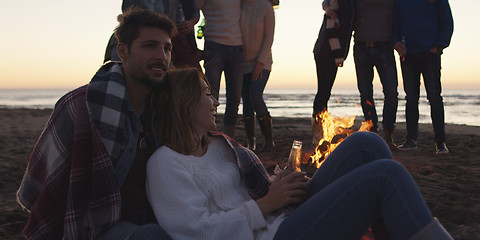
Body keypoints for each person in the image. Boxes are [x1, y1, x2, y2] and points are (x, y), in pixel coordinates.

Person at [146, 67, 453, 239]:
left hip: (277, 219)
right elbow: (196, 232)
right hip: (270, 235)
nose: (215, 102)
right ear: (185, 103)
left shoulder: (217, 146)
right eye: (207, 93)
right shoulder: (165, 165)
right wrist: (267, 204)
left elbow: (244, 193)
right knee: (388, 176)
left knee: (367, 145)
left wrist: (275, 183)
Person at [17, 8, 176, 239]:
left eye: (167, 48)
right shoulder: (82, 106)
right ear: (123, 51)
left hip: (159, 214)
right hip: (98, 224)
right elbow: (39, 188)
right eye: (150, 45)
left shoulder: (170, 107)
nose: (162, 56)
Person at [393, 0, 454, 154]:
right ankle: (411, 140)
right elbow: (394, 23)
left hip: (430, 54)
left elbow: (447, 22)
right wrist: (396, 42)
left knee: (434, 97)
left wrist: (440, 45)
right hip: (408, 54)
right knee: (411, 98)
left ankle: (440, 142)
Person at [199, 0, 244, 138]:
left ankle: (228, 137)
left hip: (237, 47)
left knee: (235, 97)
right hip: (214, 44)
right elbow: (193, 8)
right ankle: (208, 135)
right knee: (211, 95)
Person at [311, 0, 354, 146]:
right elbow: (331, 28)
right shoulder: (338, 3)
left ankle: (320, 130)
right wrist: (338, 55)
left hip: (328, 51)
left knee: (325, 92)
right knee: (323, 91)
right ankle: (318, 132)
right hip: (326, 51)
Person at [240, 0, 276, 152]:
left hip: (262, 61)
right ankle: (251, 143)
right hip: (241, 63)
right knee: (246, 100)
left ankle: (269, 142)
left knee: (255, 95)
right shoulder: (238, 5)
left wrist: (260, 62)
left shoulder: (265, 6)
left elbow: (269, 37)